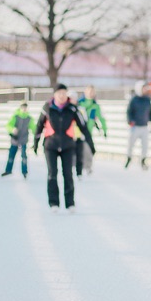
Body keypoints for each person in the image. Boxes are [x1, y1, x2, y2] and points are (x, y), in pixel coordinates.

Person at [33, 84, 94, 213]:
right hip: (51, 145)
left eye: (63, 93)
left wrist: (90, 143)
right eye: (59, 93)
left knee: (68, 174)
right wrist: (35, 142)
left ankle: (70, 203)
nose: (61, 96)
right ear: (54, 94)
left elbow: (83, 127)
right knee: (52, 173)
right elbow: (39, 126)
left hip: (67, 145)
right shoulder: (47, 108)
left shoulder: (72, 109)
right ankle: (54, 202)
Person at [76, 85, 107, 175]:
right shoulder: (79, 103)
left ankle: (87, 167)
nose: (91, 93)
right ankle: (79, 168)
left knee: (90, 150)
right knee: (78, 150)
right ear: (85, 92)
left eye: (92, 92)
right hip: (78, 132)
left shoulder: (95, 106)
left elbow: (101, 118)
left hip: (88, 132)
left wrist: (104, 130)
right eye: (89, 91)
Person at [1, 102, 36, 178]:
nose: (24, 109)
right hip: (15, 139)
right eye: (23, 107)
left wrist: (37, 133)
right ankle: (8, 170)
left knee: (24, 156)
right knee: (11, 155)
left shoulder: (29, 118)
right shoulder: (15, 116)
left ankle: (24, 171)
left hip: (23, 139)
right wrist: (12, 129)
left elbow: (33, 128)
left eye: (25, 107)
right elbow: (8, 125)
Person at [126, 81, 151, 169]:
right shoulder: (134, 100)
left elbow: (150, 112)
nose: (145, 90)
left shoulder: (147, 100)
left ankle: (143, 160)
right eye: (143, 88)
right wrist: (130, 121)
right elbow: (129, 112)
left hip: (144, 126)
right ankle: (129, 158)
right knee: (131, 144)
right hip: (135, 126)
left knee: (145, 146)